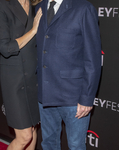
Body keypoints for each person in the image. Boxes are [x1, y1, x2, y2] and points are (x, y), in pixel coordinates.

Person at [35, 0, 101, 149]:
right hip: (45, 94)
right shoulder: (39, 7)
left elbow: (93, 58)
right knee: (49, 143)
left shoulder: (83, 8)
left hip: (73, 96)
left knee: (76, 145)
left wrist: (87, 98)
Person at [0, 0, 42, 149]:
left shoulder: (37, 4)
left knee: (32, 129)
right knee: (25, 136)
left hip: (33, 76)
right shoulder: (1, 4)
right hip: (14, 78)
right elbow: (5, 47)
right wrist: (33, 30)